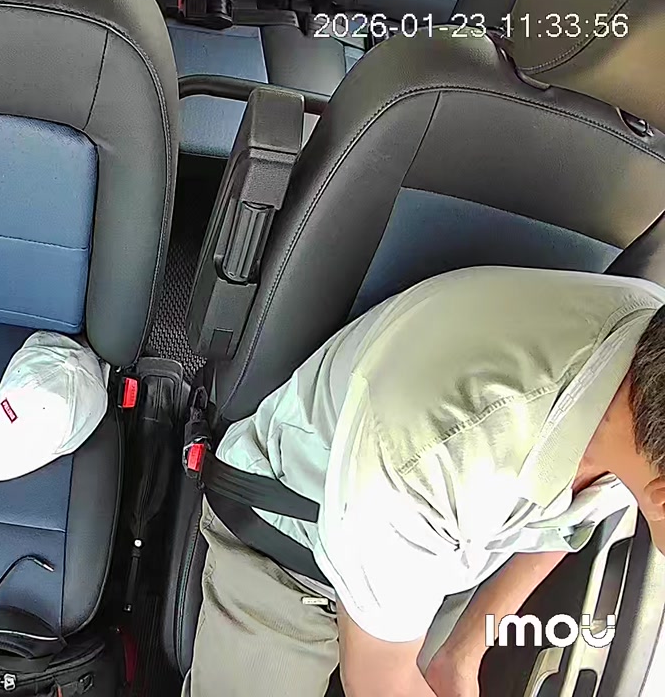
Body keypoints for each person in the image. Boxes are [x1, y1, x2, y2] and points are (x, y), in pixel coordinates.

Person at [184, 266, 665, 697]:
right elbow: (377, 681)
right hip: (291, 541)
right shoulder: (439, 449)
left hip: (436, 547)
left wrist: (463, 653)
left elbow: (564, 521)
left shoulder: (642, 392)